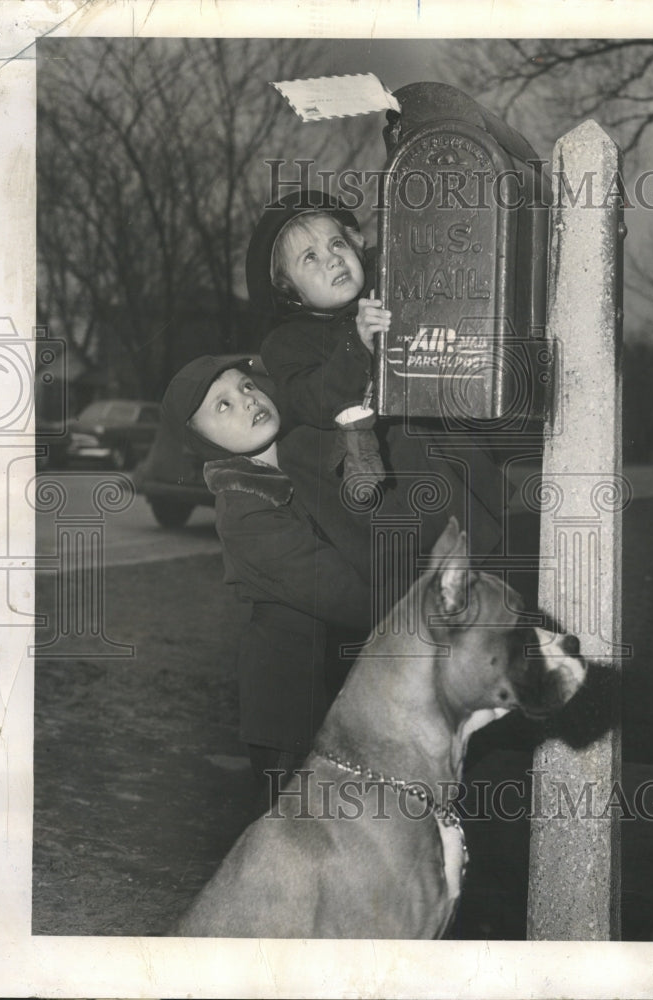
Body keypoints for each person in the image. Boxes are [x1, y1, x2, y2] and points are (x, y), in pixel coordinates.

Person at [160, 354, 372, 814]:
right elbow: (342, 594)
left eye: (246, 387)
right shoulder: (244, 508)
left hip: (335, 684)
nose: (246, 401)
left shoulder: (292, 462)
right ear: (202, 441)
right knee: (297, 835)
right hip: (291, 704)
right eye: (222, 406)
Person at [247, 190, 505, 563]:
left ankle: (481, 561)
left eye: (337, 244)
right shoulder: (287, 343)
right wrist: (357, 343)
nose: (332, 259)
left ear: (356, 246)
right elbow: (311, 400)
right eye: (310, 258)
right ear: (290, 290)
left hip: (445, 457)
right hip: (377, 486)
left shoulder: (390, 287)